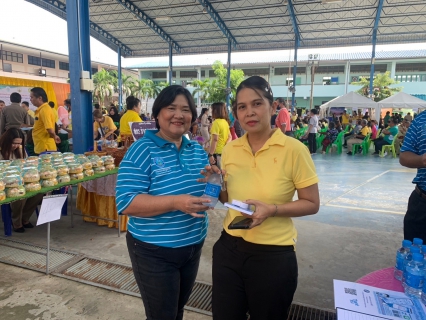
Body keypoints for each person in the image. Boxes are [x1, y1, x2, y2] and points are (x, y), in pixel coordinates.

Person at [208, 76, 319, 319]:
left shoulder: (294, 150)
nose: (250, 112)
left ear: (272, 107)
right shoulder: (230, 149)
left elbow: (312, 203)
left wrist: (272, 210)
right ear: (236, 113)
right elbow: (228, 198)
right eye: (242, 107)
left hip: (274, 255)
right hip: (230, 247)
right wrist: (214, 182)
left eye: (257, 104)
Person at [116, 85, 211, 320]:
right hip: (153, 250)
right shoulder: (141, 150)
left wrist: (216, 182)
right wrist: (175, 202)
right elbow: (126, 202)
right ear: (158, 114)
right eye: (171, 108)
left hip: (192, 246)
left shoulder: (197, 150)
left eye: (186, 110)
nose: (179, 115)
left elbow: (205, 196)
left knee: (177, 310)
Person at [0, 128, 44, 232]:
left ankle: (25, 218)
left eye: (19, 143)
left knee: (38, 192)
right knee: (20, 195)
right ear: (7, 140)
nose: (16, 146)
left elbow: (26, 165)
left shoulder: (20, 149)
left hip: (20, 180)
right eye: (14, 143)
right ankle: (16, 222)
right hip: (4, 183)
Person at [399, 111, 426, 242]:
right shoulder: (421, 120)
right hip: (422, 204)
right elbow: (404, 156)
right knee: (415, 255)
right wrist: (422, 160)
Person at [30, 87, 60, 154]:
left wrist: (55, 136)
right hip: (41, 146)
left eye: (32, 97)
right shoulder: (41, 109)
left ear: (40, 98)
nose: (30, 99)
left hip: (46, 147)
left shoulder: (44, 110)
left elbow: (49, 128)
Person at [208, 102, 231, 167]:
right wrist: (225, 146)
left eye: (212, 110)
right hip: (223, 152)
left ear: (215, 111)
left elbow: (215, 139)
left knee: (217, 173)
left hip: (216, 153)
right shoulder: (225, 122)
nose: (211, 112)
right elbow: (229, 137)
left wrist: (210, 154)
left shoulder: (216, 123)